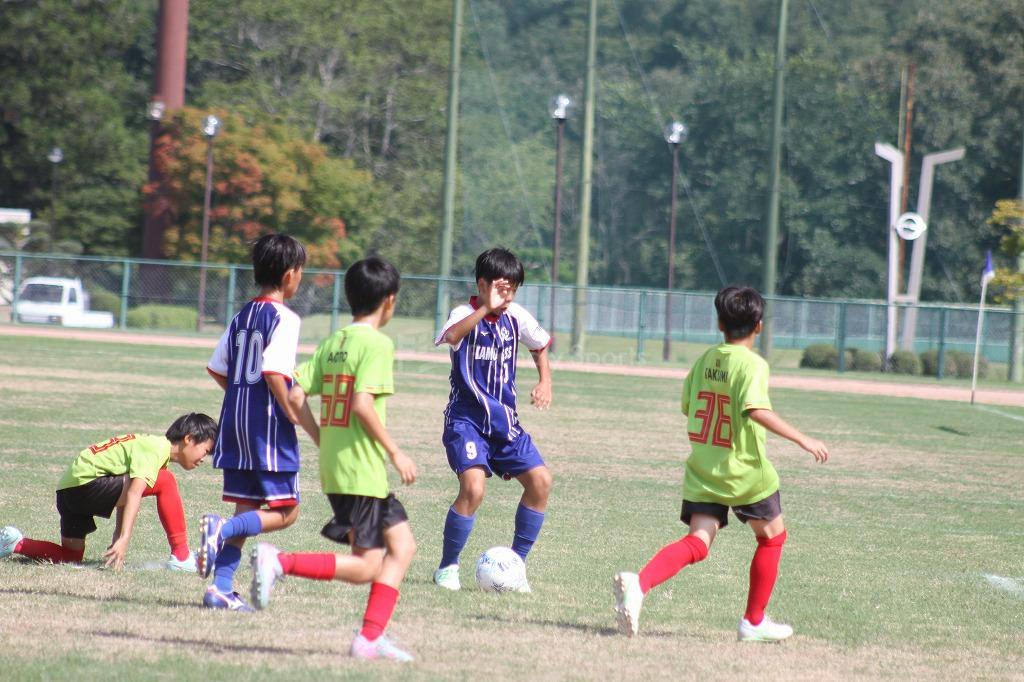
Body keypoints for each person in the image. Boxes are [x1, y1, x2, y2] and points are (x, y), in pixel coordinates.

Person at [613, 286, 829, 642]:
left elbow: (688, 405)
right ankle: (753, 621)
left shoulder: (705, 359)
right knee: (773, 537)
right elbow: (755, 409)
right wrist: (802, 439)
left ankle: (641, 584)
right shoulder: (753, 364)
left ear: (719, 323)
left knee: (698, 542)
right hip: (744, 473)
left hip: (703, 468)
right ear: (758, 326)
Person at [250, 256, 418, 662]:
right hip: (362, 470)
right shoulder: (378, 344)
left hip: (340, 466)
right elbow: (362, 404)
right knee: (365, 567)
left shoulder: (335, 341)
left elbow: (294, 394)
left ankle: (369, 640)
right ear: (390, 301)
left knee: (403, 547)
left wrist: (321, 437)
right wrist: (395, 451)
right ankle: (279, 562)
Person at [197, 233, 309, 612]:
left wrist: (243, 394)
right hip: (267, 429)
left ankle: (221, 589)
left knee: (247, 510)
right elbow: (274, 372)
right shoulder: (285, 318)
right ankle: (220, 532)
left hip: (233, 425)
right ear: (291, 274)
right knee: (287, 511)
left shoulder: (242, 314)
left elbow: (217, 369)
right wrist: (290, 411)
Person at [432, 247, 553, 592]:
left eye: (512, 290)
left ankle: (514, 566)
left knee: (541, 482)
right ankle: (447, 567)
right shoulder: (463, 313)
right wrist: (485, 306)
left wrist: (545, 381)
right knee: (473, 488)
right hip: (466, 422)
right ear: (482, 285)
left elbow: (540, 345)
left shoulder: (516, 317)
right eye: (501, 288)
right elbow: (452, 337)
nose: (507, 296)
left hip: (505, 425)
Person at [0, 413, 218, 571]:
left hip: (68, 491)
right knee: (166, 481)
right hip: (86, 486)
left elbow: (128, 488)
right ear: (188, 439)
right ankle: (181, 556)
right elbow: (133, 493)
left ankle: (16, 543)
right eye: (205, 451)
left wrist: (117, 536)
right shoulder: (155, 448)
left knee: (71, 555)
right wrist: (124, 538)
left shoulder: (151, 446)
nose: (203, 459)